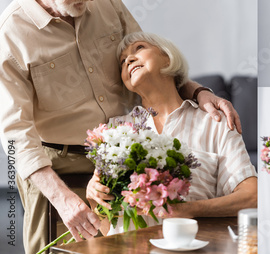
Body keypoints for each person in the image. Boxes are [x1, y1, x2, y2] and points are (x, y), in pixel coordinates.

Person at [0, 0, 241, 253]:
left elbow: (150, 60)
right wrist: (62, 198)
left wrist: (199, 92)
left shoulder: (107, 0)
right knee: (54, 249)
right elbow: (15, 131)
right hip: (56, 165)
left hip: (122, 155)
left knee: (126, 247)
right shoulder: (11, 35)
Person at [86, 32, 258, 235]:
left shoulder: (215, 122)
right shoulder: (114, 130)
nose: (128, 60)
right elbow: (106, 229)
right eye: (122, 61)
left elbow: (253, 196)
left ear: (167, 57)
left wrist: (189, 210)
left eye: (139, 48)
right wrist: (93, 197)